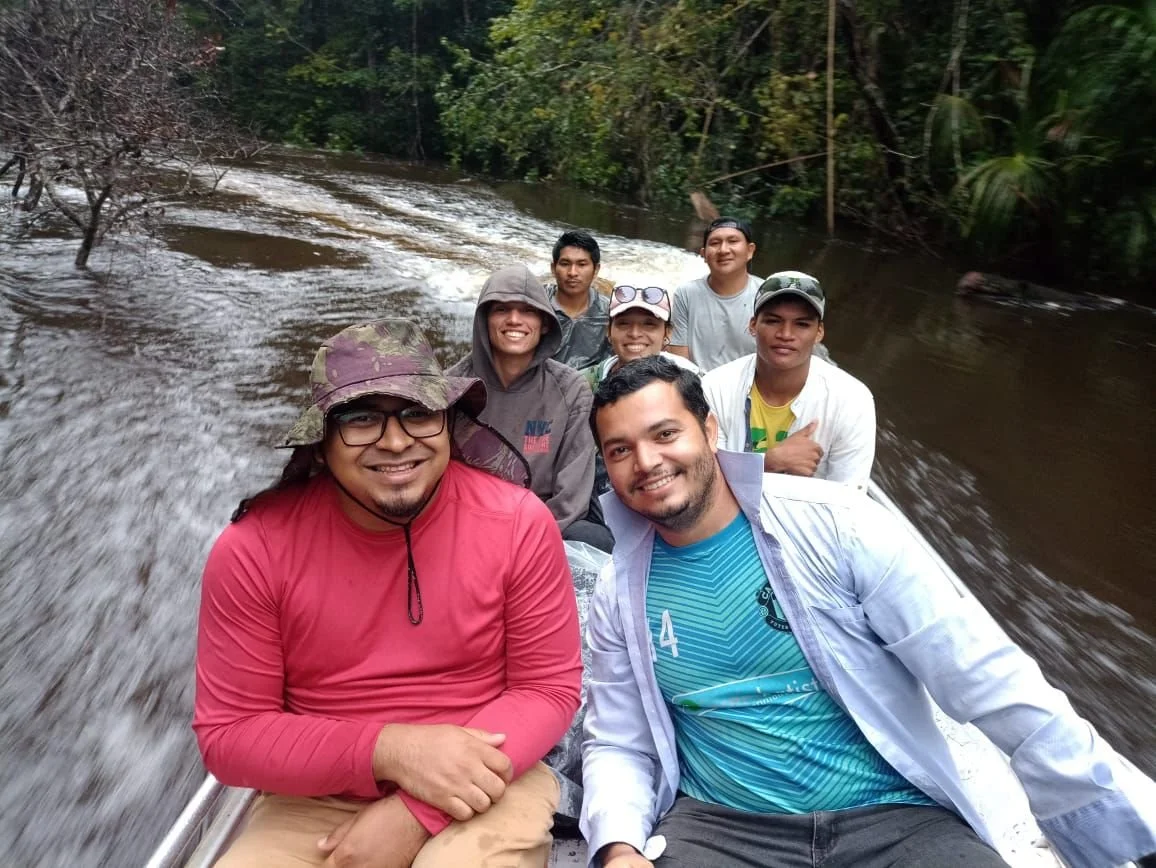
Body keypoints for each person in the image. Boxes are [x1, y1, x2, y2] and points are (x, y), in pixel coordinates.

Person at [580, 356, 1156, 868]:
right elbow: (619, 741)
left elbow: (984, 678)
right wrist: (619, 846)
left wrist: (1106, 823)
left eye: (665, 434)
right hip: (722, 825)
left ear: (709, 430)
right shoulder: (618, 590)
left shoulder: (838, 526)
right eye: (621, 450)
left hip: (893, 817)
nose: (647, 462)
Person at [193, 319, 582, 868]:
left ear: (448, 424)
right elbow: (231, 734)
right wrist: (390, 752)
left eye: (417, 414)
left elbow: (546, 688)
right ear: (321, 444)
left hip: (490, 767)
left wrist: (415, 812)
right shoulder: (253, 549)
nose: (396, 442)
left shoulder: (519, 523)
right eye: (361, 419)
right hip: (315, 790)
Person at [449, 263, 614, 552]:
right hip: (463, 526)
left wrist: (520, 546)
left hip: (538, 530)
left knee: (594, 538)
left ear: (545, 324)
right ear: (485, 320)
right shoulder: (450, 387)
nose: (514, 320)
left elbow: (571, 497)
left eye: (527, 311)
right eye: (502, 309)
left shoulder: (571, 389)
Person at [701, 271, 876, 487]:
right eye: (773, 321)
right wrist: (767, 463)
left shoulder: (852, 401)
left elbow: (848, 496)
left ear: (819, 332)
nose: (785, 334)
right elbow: (704, 481)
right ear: (753, 325)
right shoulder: (715, 387)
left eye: (802, 324)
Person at [579, 284, 700, 496]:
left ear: (667, 333)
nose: (635, 334)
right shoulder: (583, 386)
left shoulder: (690, 383)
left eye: (649, 324)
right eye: (624, 324)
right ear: (609, 331)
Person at [667, 217, 763, 370]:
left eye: (733, 241)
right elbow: (680, 360)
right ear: (704, 254)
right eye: (715, 243)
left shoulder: (766, 295)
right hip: (697, 381)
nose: (723, 250)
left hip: (748, 382)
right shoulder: (686, 294)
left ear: (750, 250)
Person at [546, 230, 612, 369]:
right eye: (565, 264)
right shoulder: (536, 304)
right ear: (553, 268)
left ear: (596, 270)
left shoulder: (610, 313)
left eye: (581, 264)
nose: (572, 273)